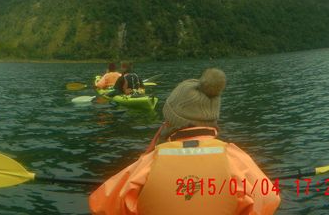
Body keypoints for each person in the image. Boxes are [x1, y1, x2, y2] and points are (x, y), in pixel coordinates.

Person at [89, 68, 281, 215]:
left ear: (171, 120)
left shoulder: (148, 164)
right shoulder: (236, 159)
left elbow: (100, 205)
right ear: (212, 117)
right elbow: (270, 199)